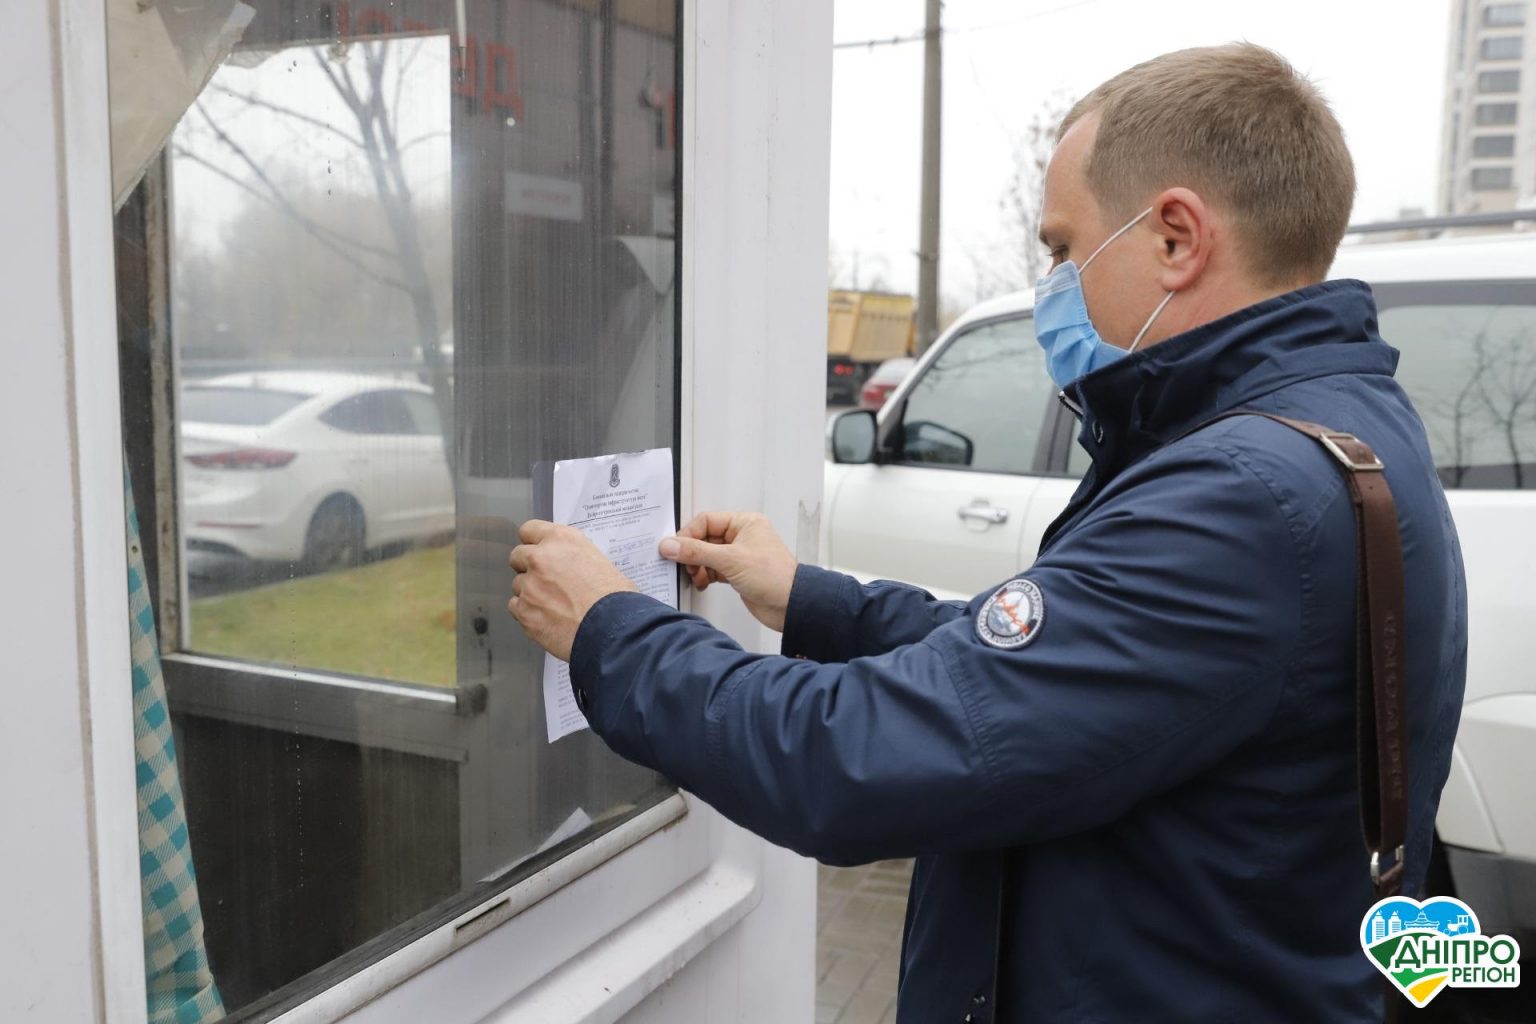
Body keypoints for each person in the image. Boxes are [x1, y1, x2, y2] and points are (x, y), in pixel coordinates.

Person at [507, 43, 1467, 1023]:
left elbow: (855, 759)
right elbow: (1038, 674)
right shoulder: (1341, 430)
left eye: (1062, 247)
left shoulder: (1241, 497)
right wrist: (806, 597)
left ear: (1176, 237)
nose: (1052, 280)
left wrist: (610, 630)